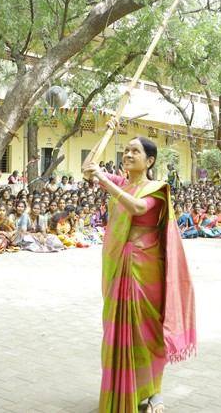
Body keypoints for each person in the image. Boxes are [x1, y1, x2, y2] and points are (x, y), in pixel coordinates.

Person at [83, 117, 196, 413]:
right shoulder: (122, 183)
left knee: (147, 332)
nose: (128, 155)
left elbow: (136, 207)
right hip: (119, 264)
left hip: (145, 268)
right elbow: (88, 168)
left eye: (135, 151)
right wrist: (106, 131)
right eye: (126, 151)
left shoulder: (157, 189)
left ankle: (154, 392)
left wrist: (105, 179)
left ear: (150, 161)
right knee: (117, 329)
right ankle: (125, 391)